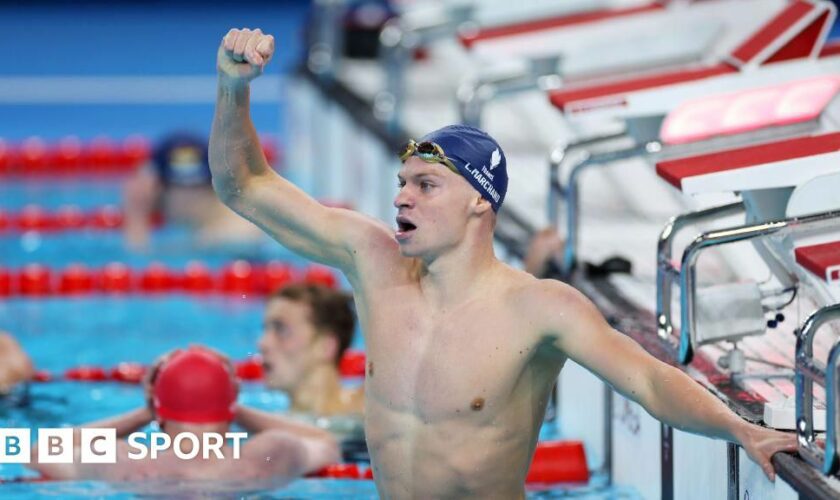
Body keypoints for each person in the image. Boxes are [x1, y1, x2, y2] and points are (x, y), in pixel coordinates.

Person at [210, 28, 797, 498]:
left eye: (425, 185)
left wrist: (741, 430)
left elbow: (647, 379)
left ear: (478, 204)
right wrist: (233, 89)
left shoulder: (537, 308)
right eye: (401, 183)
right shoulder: (374, 262)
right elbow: (244, 186)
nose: (401, 198)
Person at [30, 346, 339, 482]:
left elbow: (34, 452)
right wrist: (236, 406)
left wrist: (141, 415)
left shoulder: (125, 461)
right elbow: (328, 444)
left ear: (159, 409)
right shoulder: (266, 457)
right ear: (231, 406)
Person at [122, 132, 263, 250]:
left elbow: (141, 256)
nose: (157, 202)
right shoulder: (228, 224)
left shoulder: (233, 236)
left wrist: (137, 215)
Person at [260, 283, 364, 416]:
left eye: (280, 329)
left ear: (326, 346)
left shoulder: (367, 413)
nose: (262, 343)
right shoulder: (272, 421)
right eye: (266, 329)